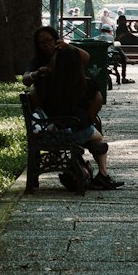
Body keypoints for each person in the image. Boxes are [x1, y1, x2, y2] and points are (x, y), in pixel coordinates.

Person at [30, 44, 122, 190]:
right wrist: (88, 120)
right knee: (97, 137)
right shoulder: (86, 83)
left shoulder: (43, 82)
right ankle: (103, 174)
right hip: (72, 131)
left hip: (48, 132)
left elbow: (35, 102)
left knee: (88, 131)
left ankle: (82, 167)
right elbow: (97, 103)